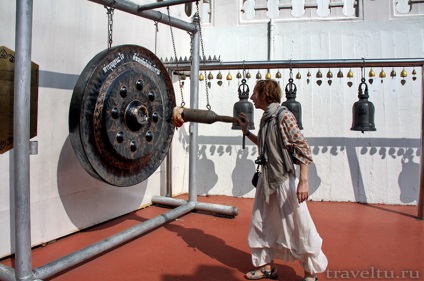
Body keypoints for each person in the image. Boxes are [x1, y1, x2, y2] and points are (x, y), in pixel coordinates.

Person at [236, 79, 328, 281]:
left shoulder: (283, 116)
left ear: (264, 94)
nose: (251, 98)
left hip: (284, 180)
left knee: (299, 224)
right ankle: (268, 267)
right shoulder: (266, 119)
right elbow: (264, 145)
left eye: (254, 93)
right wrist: (246, 132)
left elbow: (302, 148)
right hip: (267, 181)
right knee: (261, 224)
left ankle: (310, 272)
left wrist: (303, 182)